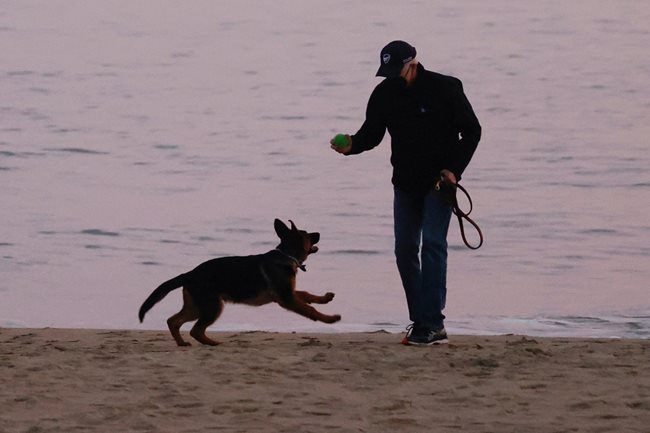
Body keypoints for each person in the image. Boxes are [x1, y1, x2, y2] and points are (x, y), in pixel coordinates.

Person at [330, 40, 481, 346]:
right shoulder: (385, 93)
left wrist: (454, 169)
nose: (391, 76)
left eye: (395, 69)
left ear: (412, 62)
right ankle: (422, 320)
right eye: (386, 71)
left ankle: (433, 323)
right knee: (404, 250)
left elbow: (472, 131)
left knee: (433, 245)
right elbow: (370, 135)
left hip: (440, 183)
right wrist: (350, 146)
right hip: (405, 183)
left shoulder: (445, 88)